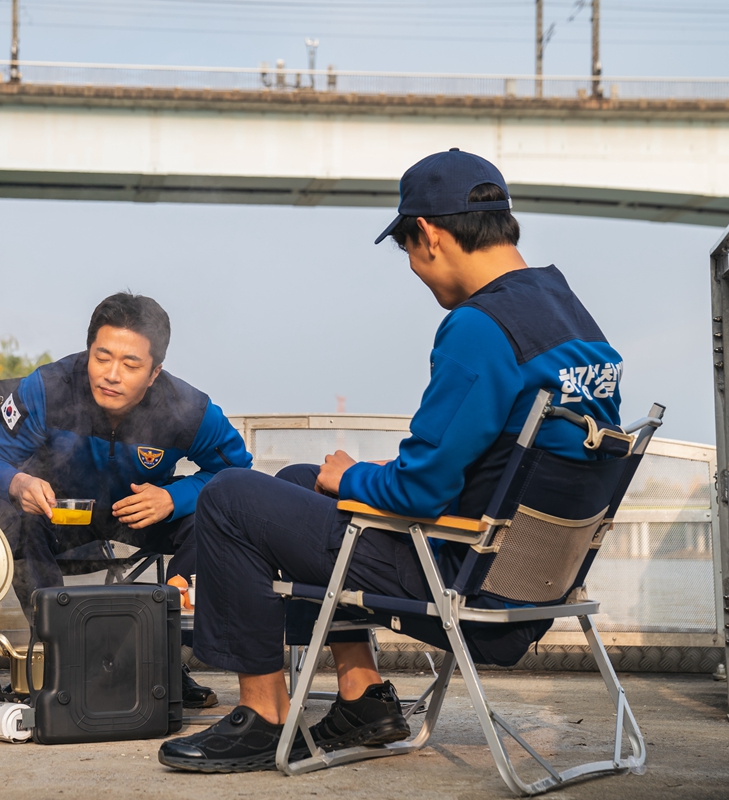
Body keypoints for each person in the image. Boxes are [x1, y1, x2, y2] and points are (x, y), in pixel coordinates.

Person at [158, 149, 625, 772]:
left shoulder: (481, 327)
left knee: (230, 495)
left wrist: (352, 475)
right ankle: (363, 699)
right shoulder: (574, 322)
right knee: (302, 483)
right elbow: (496, 464)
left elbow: (420, 492)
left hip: (465, 585)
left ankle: (264, 717)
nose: (413, 267)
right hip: (530, 584)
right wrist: (345, 482)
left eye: (407, 249)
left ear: (428, 234)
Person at [0, 292, 252, 708]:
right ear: (88, 351)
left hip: (141, 514)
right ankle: (63, 658)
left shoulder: (190, 410)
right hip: (61, 514)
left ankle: (163, 660)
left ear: (155, 373)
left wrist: (173, 497)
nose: (111, 375)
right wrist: (17, 482)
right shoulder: (46, 388)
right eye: (101, 357)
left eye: (131, 365)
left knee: (211, 520)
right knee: (9, 518)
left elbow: (235, 476)